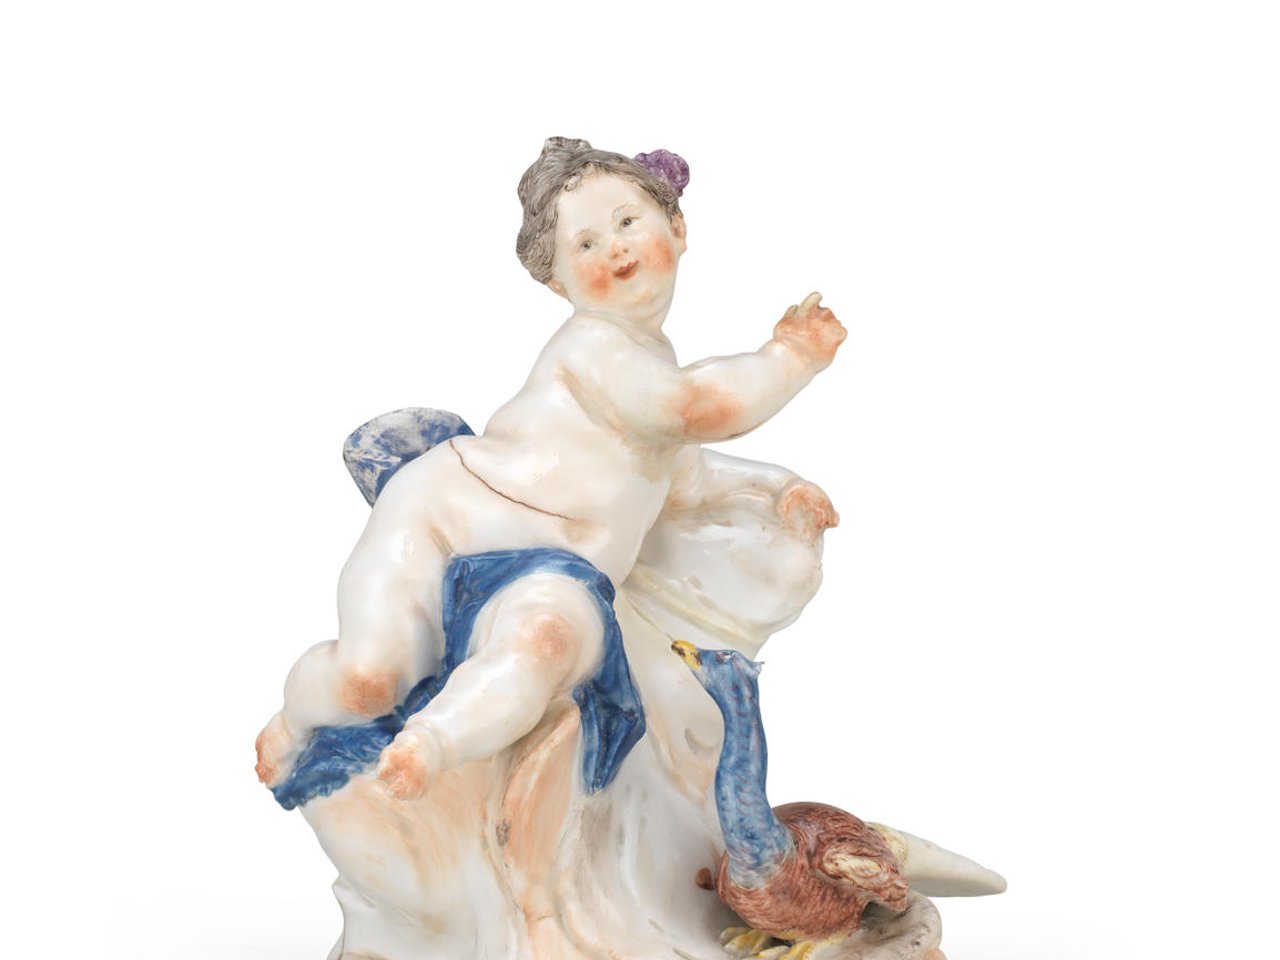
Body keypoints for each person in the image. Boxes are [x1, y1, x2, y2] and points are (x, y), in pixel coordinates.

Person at [254, 137, 846, 810]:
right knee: (368, 681)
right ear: (558, 282)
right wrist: (792, 356)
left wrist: (774, 489)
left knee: (544, 647)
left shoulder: (648, 375)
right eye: (585, 244)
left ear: (678, 228)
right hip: (448, 516)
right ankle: (296, 718)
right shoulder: (595, 345)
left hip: (557, 573)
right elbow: (697, 408)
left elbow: (681, 477)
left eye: (628, 222)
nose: (615, 249)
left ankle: (431, 744)